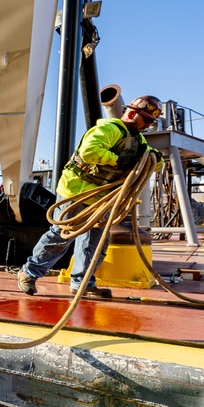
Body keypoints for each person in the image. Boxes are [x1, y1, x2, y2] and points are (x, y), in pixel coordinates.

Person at [17, 95, 164, 298]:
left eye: (150, 122)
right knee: (61, 235)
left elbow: (153, 161)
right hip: (77, 191)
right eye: (146, 120)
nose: (147, 125)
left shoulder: (139, 141)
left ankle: (83, 283)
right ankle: (28, 273)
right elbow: (90, 152)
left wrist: (157, 158)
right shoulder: (109, 129)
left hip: (101, 199)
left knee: (94, 243)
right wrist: (118, 160)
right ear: (131, 113)